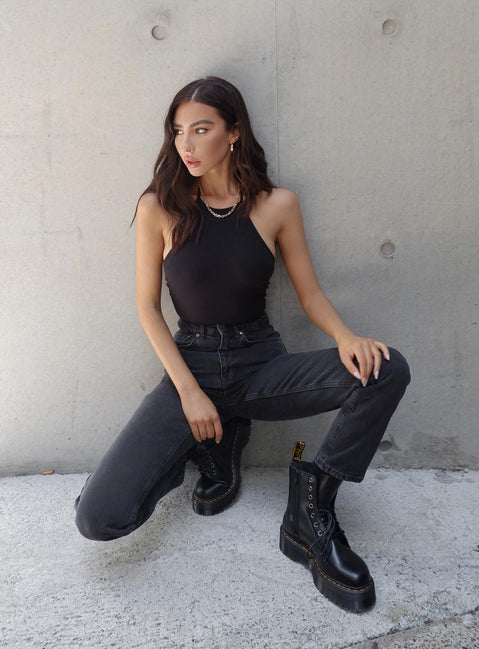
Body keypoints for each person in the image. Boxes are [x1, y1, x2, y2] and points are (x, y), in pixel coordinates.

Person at [75, 76, 410, 613]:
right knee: (98, 518)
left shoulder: (277, 204)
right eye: (178, 131)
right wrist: (190, 392)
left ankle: (311, 512)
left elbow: (310, 293)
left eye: (201, 129)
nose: (186, 144)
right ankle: (210, 446)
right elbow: (147, 309)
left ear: (233, 133)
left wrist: (346, 337)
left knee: (387, 369)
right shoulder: (159, 206)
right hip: (191, 369)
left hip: (260, 367)